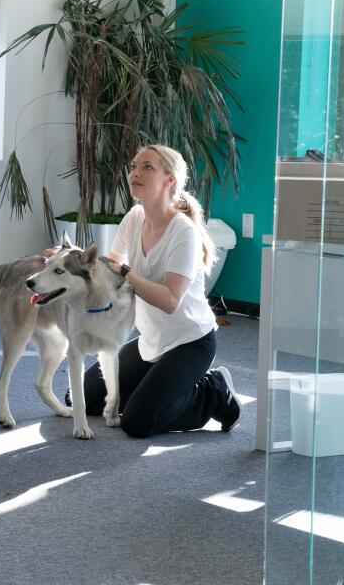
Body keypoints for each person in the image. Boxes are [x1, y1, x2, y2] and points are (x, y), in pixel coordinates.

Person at [64, 144, 242, 438]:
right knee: (83, 398)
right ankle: (157, 386)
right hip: (152, 341)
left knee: (137, 421)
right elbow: (110, 268)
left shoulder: (183, 232)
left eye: (147, 167)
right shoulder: (134, 218)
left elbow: (170, 300)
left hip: (190, 342)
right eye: (134, 166)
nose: (135, 173)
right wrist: (68, 261)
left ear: (169, 180)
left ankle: (214, 392)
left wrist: (125, 273)